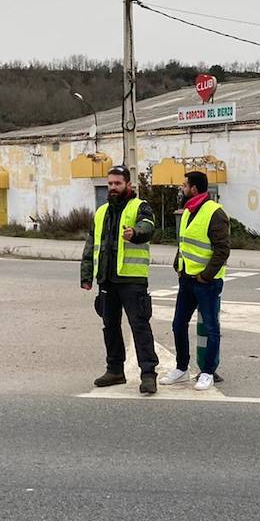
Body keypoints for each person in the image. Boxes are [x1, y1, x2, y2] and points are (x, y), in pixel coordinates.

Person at [80, 165, 159, 393]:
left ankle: (148, 373)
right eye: (110, 184)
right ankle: (115, 370)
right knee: (110, 326)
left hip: (132, 280)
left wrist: (135, 233)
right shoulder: (101, 212)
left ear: (128, 185)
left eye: (117, 183)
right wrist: (87, 275)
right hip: (107, 279)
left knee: (140, 326)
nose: (113, 188)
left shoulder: (140, 207)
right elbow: (91, 245)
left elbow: (148, 226)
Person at [164, 171, 231, 391]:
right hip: (186, 279)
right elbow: (184, 243)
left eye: (184, 185)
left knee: (211, 328)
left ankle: (207, 372)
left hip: (206, 282)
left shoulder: (215, 212)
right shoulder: (187, 211)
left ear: (194, 188)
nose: (182, 188)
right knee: (178, 324)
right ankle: (181, 368)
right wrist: (178, 264)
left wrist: (205, 276)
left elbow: (222, 250)